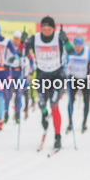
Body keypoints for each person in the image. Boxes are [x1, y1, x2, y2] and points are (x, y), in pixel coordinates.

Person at [27, 16, 75, 152]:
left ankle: (57, 136)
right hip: (42, 74)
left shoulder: (58, 38)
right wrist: (24, 42)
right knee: (41, 103)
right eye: (44, 29)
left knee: (54, 104)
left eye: (49, 29)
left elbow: (71, 51)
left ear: (53, 29)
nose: (46, 32)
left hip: (57, 75)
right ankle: (44, 113)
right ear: (40, 28)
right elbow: (22, 52)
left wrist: (66, 40)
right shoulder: (34, 39)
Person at [65, 36, 90, 133]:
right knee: (71, 101)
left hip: (85, 80)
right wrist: (64, 73)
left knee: (86, 101)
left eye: (79, 46)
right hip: (73, 79)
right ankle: (70, 123)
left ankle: (84, 123)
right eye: (76, 46)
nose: (77, 48)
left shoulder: (88, 51)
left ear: (82, 45)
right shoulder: (71, 51)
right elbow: (65, 63)